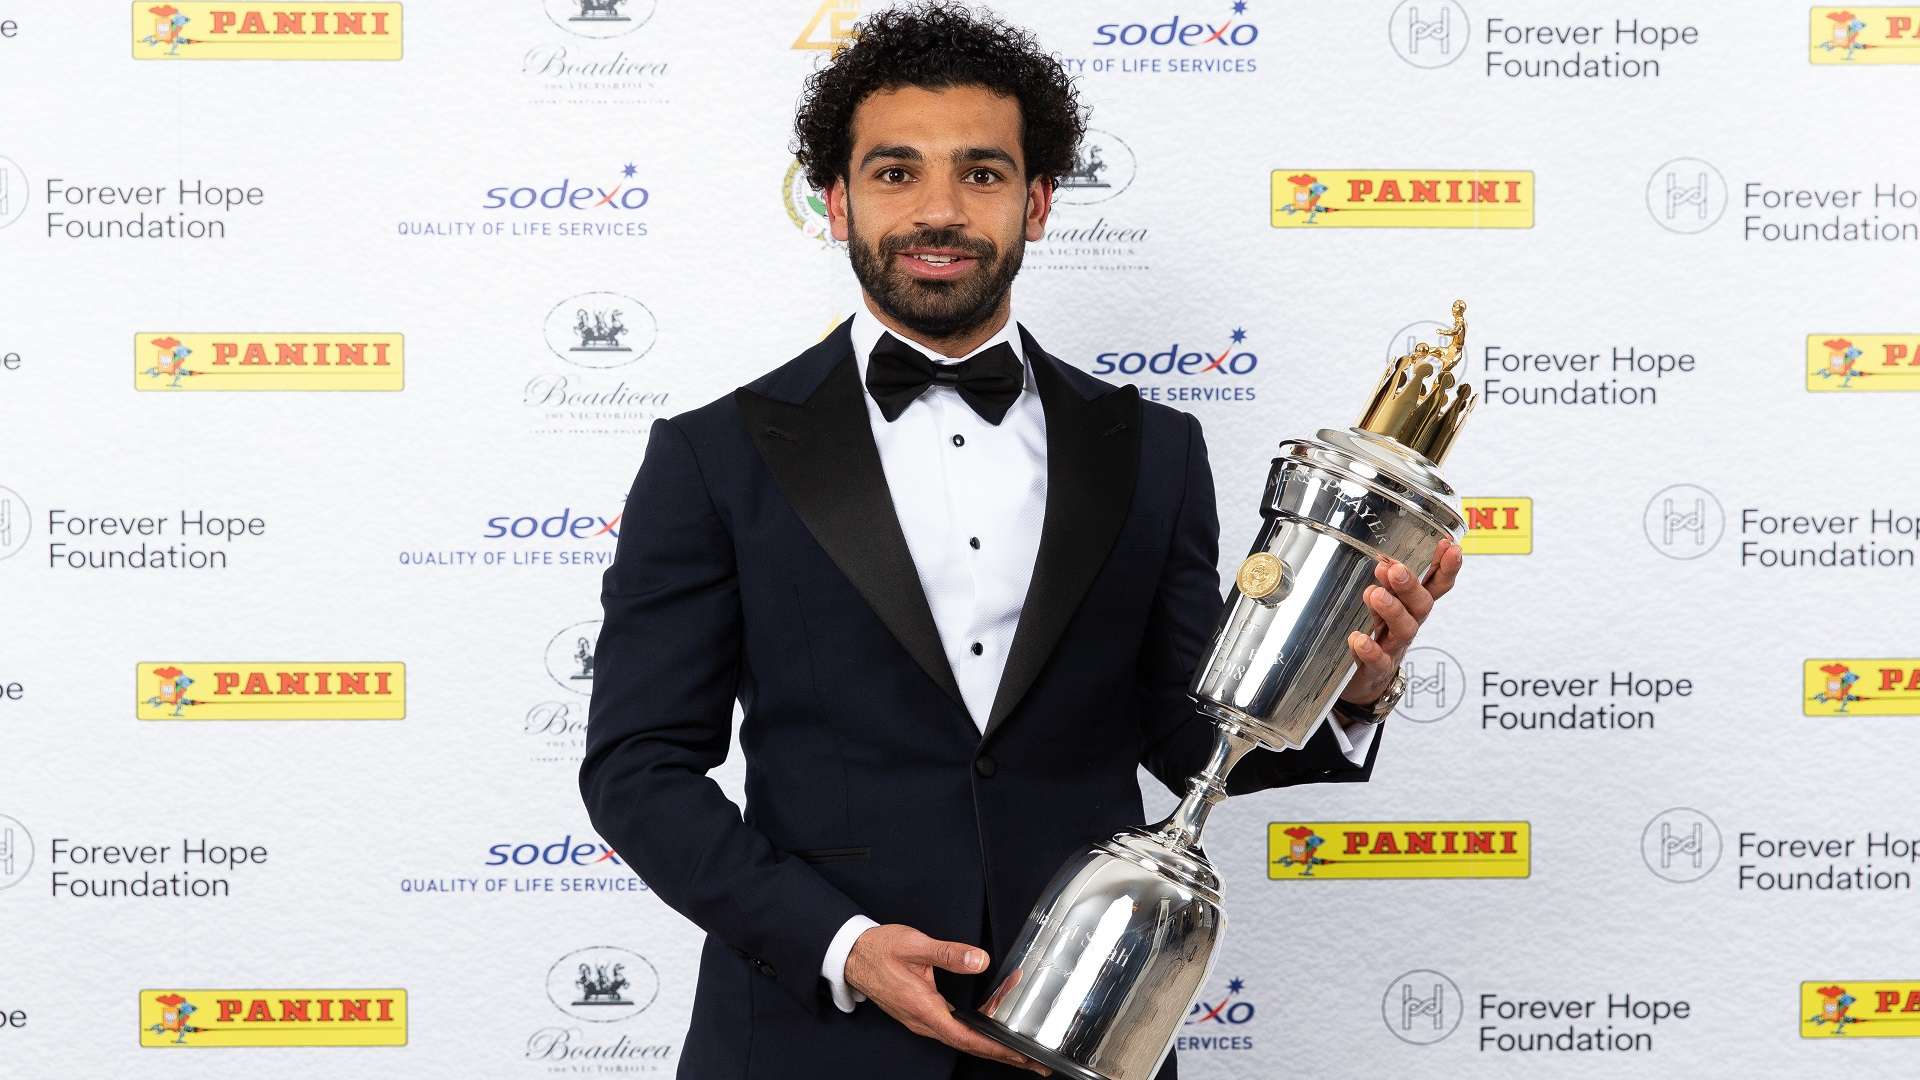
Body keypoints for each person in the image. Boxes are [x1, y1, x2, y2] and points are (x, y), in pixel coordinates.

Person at [578, 4, 1465, 1078]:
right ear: (835, 200)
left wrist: (1350, 684)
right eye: (896, 173)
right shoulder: (713, 454)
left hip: (1086, 1030)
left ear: (1037, 202)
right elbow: (638, 766)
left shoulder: (1153, 449)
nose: (939, 210)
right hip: (805, 1041)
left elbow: (1189, 740)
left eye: (983, 174)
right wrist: (844, 948)